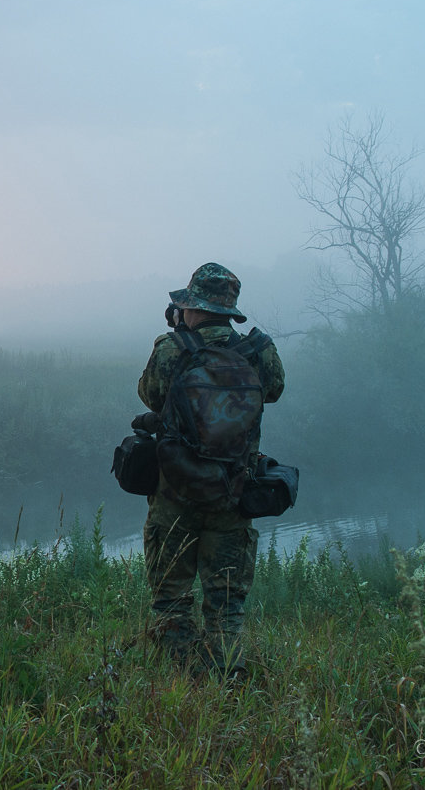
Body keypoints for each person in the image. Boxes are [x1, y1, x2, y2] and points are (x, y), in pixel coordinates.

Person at [137, 262, 285, 680]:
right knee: (225, 605)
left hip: (175, 497)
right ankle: (228, 686)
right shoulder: (258, 353)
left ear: (194, 308)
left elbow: (149, 395)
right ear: (228, 311)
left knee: (172, 599)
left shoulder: (171, 349)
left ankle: (183, 686)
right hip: (233, 495)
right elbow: (273, 391)